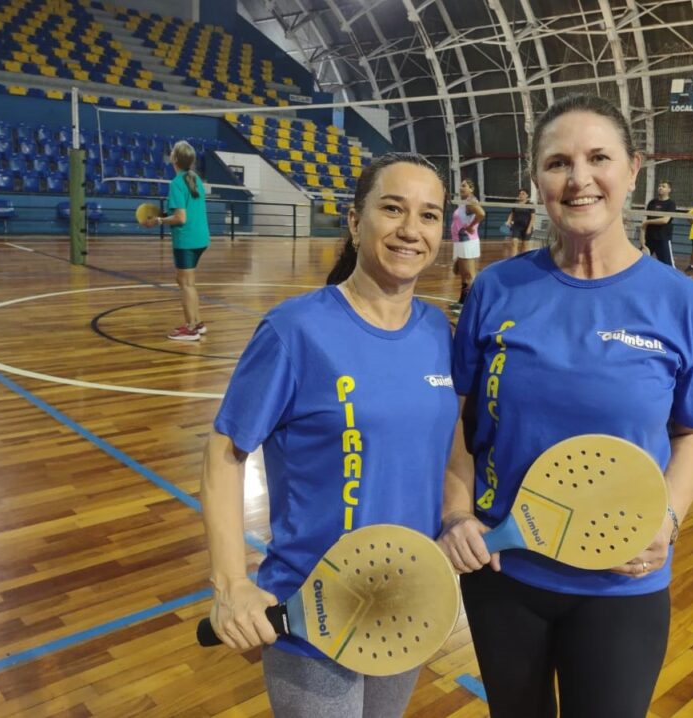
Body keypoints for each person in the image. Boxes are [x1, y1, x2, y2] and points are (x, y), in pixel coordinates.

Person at [438, 94, 693, 718]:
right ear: (537, 179)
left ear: (633, 169)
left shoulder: (687, 306)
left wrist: (668, 520)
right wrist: (456, 513)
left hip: (621, 582)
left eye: (599, 158)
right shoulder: (495, 289)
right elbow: (455, 420)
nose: (579, 178)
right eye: (559, 162)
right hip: (503, 572)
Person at [201, 152, 458, 718]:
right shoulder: (295, 329)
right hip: (314, 608)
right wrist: (231, 583)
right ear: (355, 221)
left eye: (429, 215)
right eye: (393, 209)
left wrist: (458, 515)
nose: (411, 230)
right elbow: (224, 453)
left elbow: (447, 448)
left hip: (406, 598)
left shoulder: (439, 332)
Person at [141, 140, 211, 341]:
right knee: (185, 281)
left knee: (186, 283)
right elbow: (185, 210)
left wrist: (158, 221)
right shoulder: (195, 179)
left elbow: (180, 218)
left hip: (186, 240)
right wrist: (163, 215)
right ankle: (198, 323)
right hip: (201, 237)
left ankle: (191, 328)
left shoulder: (177, 183)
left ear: (174, 159)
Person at [448, 179, 485, 313]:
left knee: (469, 275)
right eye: (461, 185)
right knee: (463, 274)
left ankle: (470, 306)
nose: (461, 188)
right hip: (459, 241)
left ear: (471, 189)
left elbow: (481, 213)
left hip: (467, 241)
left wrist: (470, 226)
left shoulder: (471, 201)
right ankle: (462, 302)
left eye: (464, 186)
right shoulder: (464, 202)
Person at [640, 179, 676, 267]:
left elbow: (665, 220)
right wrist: (642, 240)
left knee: (668, 266)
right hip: (649, 239)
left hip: (662, 239)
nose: (660, 188)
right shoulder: (652, 203)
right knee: (639, 263)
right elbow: (643, 222)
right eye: (659, 186)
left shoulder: (671, 204)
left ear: (669, 190)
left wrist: (648, 222)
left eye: (663, 186)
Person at [505, 188, 535, 253]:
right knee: (514, 243)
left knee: (525, 245)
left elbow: (533, 218)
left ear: (527, 195)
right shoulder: (515, 203)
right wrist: (508, 221)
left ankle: (524, 258)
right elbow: (512, 213)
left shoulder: (530, 204)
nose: (521, 195)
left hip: (526, 226)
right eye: (520, 194)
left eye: (523, 194)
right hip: (516, 226)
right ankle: (514, 258)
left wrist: (529, 228)